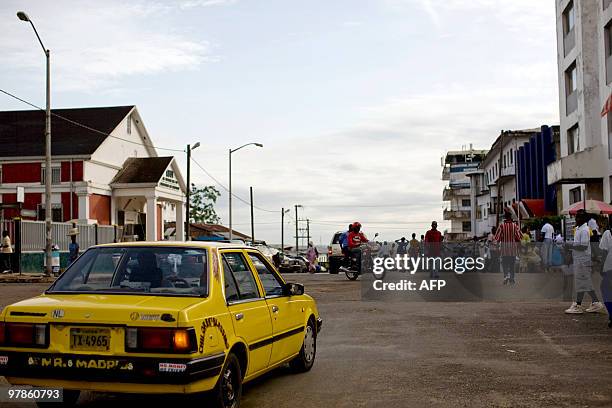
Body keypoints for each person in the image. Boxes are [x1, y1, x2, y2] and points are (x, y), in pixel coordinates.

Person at [565, 210, 605, 314]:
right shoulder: (578, 229)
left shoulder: (585, 230)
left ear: (584, 219)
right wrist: (571, 253)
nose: (577, 219)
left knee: (583, 282)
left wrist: (570, 246)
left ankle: (579, 305)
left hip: (583, 260)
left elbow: (583, 246)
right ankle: (593, 303)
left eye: (580, 217)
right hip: (579, 260)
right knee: (583, 282)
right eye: (577, 217)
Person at [494, 211, 522, 285]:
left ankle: (506, 276)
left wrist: (497, 246)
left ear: (505, 218)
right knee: (512, 264)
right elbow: (519, 237)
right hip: (512, 248)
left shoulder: (501, 226)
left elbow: (497, 238)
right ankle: (512, 279)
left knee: (505, 263)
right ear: (511, 217)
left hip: (504, 247)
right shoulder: (515, 225)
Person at [598, 226, 612, 326]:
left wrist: (601, 266)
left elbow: (604, 251)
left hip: (609, 267)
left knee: (605, 289)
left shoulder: (608, 233)